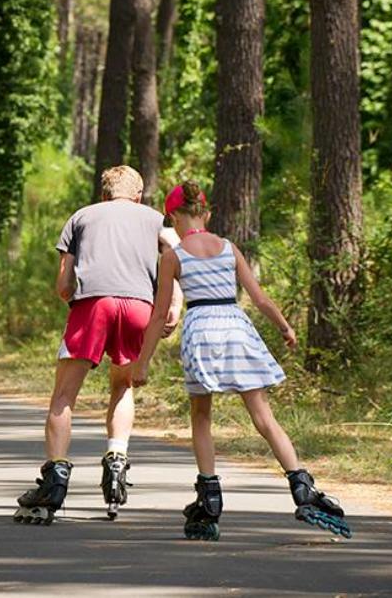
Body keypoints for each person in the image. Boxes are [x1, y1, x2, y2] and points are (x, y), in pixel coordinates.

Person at [131, 182, 351, 541]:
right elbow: (259, 297)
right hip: (235, 327)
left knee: (201, 416)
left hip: (201, 329)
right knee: (264, 417)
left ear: (173, 216)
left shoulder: (173, 256)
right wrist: (284, 327)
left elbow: (158, 316)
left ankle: (210, 497)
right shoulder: (229, 248)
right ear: (207, 212)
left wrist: (142, 362)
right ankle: (302, 488)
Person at [15, 165, 183, 525]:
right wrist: (173, 306)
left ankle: (55, 477)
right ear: (137, 195)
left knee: (63, 396)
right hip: (139, 306)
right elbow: (179, 259)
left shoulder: (81, 217)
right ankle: (117, 461)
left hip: (93, 305)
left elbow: (63, 285)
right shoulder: (156, 220)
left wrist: (73, 298)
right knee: (122, 386)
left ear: (104, 194)